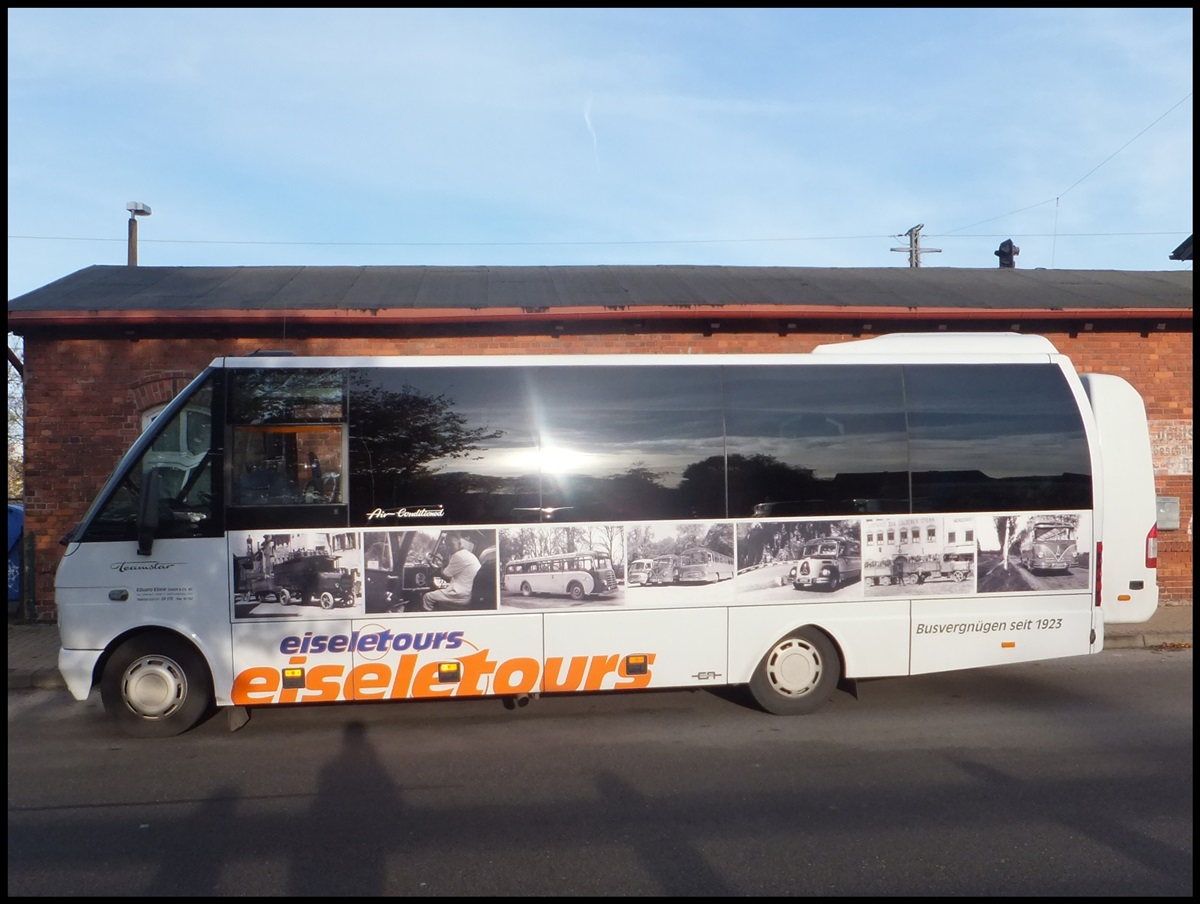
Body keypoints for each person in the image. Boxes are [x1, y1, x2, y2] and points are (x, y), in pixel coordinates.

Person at [421, 534, 481, 611]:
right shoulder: (467, 554)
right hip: (467, 592)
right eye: (447, 545)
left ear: (459, 543)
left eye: (451, 545)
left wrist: (437, 567)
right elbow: (449, 576)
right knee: (438, 589)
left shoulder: (458, 556)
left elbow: (445, 575)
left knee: (427, 597)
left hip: (460, 595)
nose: (448, 548)